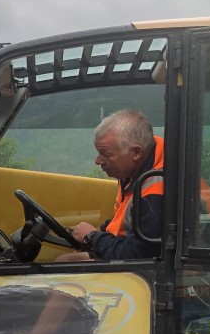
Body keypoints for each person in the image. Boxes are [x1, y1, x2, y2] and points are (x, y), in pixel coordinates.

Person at [63, 109, 164, 261]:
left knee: (64, 264)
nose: (98, 161)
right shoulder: (133, 174)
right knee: (66, 260)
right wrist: (99, 232)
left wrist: (93, 237)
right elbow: (122, 222)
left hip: (149, 268)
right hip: (130, 252)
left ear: (136, 152)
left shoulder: (156, 190)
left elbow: (138, 255)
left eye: (106, 154)